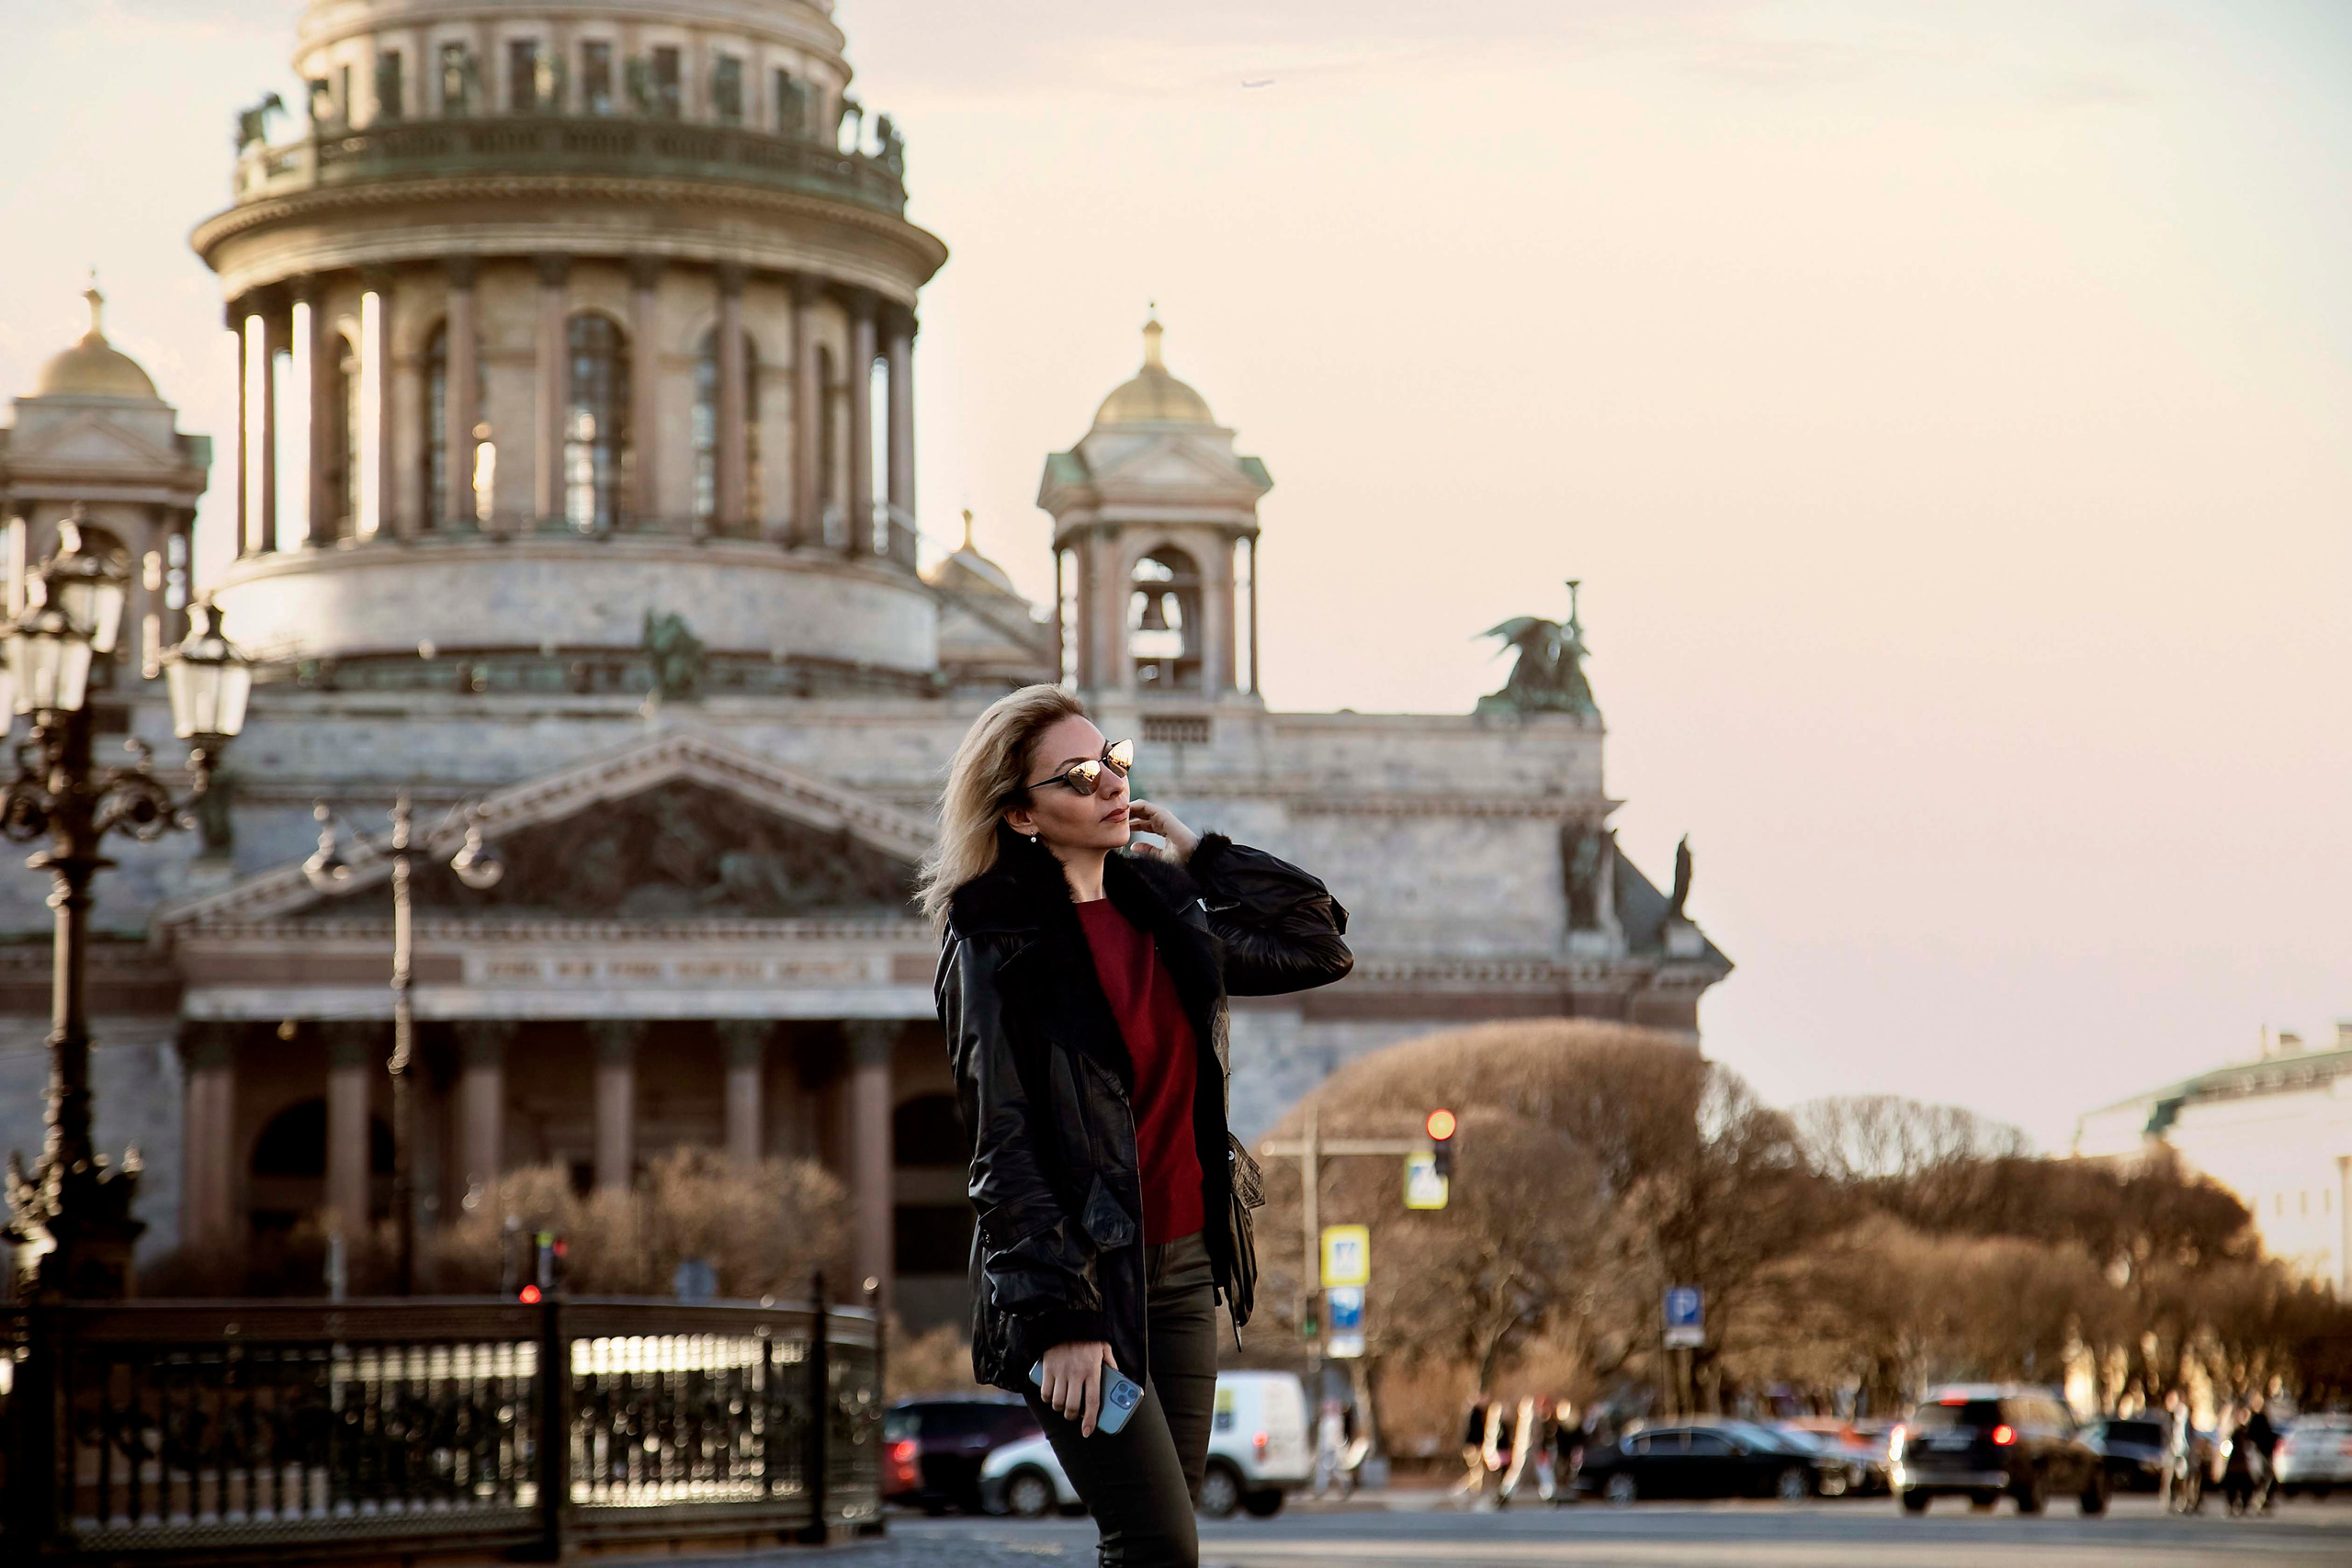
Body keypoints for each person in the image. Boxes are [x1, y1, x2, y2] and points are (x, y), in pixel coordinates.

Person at [928, 686, 1353, 1567]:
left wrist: (1203, 853)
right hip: (1081, 1284)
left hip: (1186, 1267)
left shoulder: (1169, 911)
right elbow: (1002, 1150)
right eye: (1079, 776)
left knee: (1166, 1538)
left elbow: (1320, 943)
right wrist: (1062, 1319)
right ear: (1021, 814)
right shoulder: (992, 942)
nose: (1111, 784)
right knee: (1157, 1543)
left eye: (1114, 760)